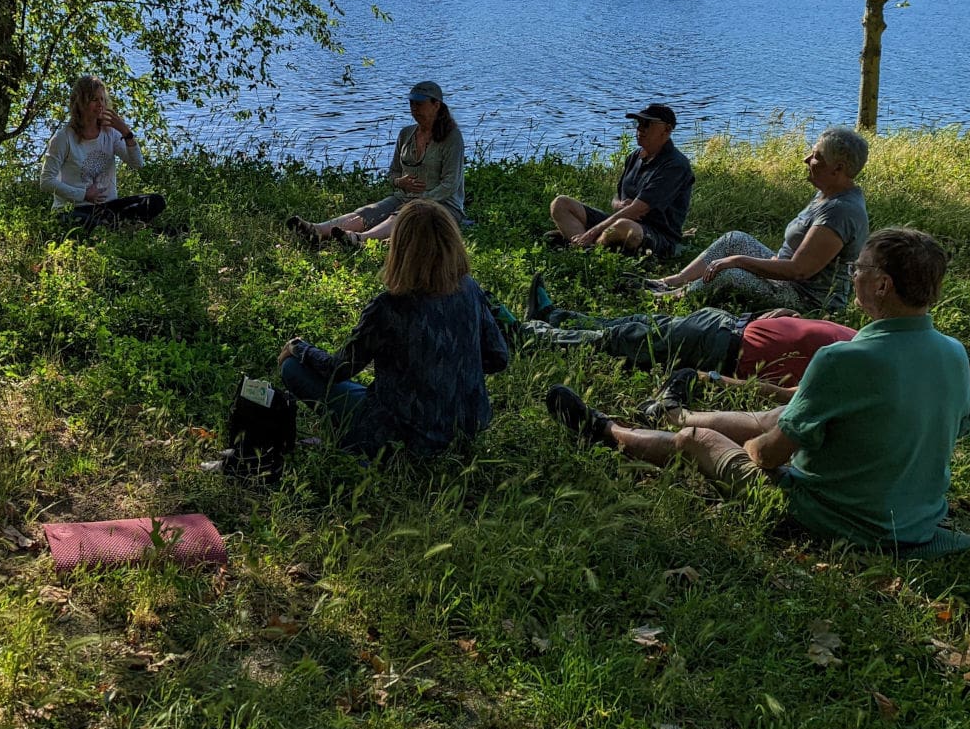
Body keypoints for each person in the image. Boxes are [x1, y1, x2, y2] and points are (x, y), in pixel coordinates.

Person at [546, 228, 970, 550]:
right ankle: (671, 412)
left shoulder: (844, 360)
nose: (853, 277)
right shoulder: (954, 354)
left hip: (844, 518)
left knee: (698, 441)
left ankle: (607, 432)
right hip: (914, 515)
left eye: (858, 269)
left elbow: (771, 455)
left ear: (882, 285)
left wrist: (753, 449)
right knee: (777, 418)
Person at [277, 199, 509, 457]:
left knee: (292, 368)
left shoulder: (389, 307)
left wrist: (299, 347)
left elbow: (339, 369)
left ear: (400, 249)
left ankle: (354, 439)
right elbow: (498, 358)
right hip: (469, 425)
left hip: (403, 435)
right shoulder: (470, 288)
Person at [648, 126, 870, 313]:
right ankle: (672, 282)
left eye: (816, 157)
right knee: (734, 239)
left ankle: (669, 300)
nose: (806, 159)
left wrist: (739, 261)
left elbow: (799, 270)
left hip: (805, 301)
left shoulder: (840, 211)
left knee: (731, 273)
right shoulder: (827, 192)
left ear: (838, 168)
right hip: (785, 280)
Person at [509, 271, 856, 389]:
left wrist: (719, 382)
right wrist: (785, 317)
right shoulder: (870, 341)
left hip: (723, 347)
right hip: (730, 322)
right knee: (638, 324)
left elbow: (793, 398)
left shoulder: (861, 370)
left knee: (622, 340)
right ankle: (553, 316)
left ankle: (528, 336)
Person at [288, 80, 465, 246]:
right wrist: (399, 182)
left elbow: (450, 184)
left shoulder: (452, 138)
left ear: (436, 105)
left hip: (443, 205)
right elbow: (393, 172)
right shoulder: (406, 134)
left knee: (402, 215)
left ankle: (360, 240)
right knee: (366, 213)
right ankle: (316, 231)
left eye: (419, 104)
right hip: (404, 197)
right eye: (411, 104)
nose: (414, 108)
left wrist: (422, 199)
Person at [546, 103, 694, 256]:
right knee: (560, 203)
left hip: (655, 234)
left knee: (624, 227)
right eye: (638, 123)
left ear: (667, 130)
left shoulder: (675, 165)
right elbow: (617, 197)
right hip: (617, 222)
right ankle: (586, 247)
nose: (640, 129)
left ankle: (584, 245)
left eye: (647, 124)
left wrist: (591, 232)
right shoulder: (635, 157)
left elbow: (639, 209)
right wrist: (619, 204)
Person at [38, 75, 166, 229]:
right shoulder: (63, 137)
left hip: (108, 207)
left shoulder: (110, 133)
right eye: (94, 99)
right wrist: (83, 194)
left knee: (156, 201)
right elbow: (46, 182)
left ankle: (117, 226)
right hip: (75, 209)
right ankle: (124, 228)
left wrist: (126, 132)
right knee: (86, 222)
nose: (100, 105)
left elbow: (137, 164)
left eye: (102, 99)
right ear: (80, 103)